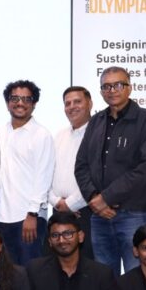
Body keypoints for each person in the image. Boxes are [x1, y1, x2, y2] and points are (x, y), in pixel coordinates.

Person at [75, 66, 146, 275]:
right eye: (106, 86)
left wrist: (106, 198)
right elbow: (81, 165)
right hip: (99, 216)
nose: (112, 90)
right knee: (104, 278)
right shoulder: (96, 121)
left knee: (135, 277)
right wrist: (93, 198)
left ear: (129, 88)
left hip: (133, 213)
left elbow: (145, 169)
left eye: (118, 85)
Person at [0, 80, 55, 265]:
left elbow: (44, 176)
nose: (20, 103)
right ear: (7, 103)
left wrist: (32, 214)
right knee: (5, 273)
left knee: (30, 272)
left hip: (27, 219)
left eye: (26, 99)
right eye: (15, 98)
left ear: (34, 104)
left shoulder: (41, 135)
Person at [48, 86, 94, 259]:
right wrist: (57, 202)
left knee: (87, 264)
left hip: (86, 211)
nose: (72, 107)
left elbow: (96, 176)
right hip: (58, 211)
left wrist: (71, 205)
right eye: (67, 103)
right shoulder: (59, 135)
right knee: (57, 265)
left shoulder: (98, 133)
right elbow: (48, 173)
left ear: (89, 104)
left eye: (77, 102)